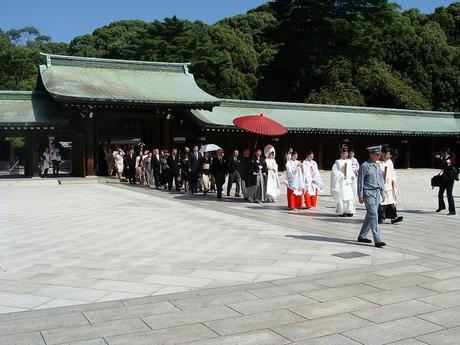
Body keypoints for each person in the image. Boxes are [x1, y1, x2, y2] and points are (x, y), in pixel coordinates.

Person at [358, 145, 386, 247]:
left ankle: (362, 236)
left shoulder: (378, 166)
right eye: (377, 154)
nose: (379, 156)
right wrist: (360, 195)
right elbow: (360, 181)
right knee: (374, 214)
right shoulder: (365, 166)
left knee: (370, 215)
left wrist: (383, 192)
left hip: (377, 193)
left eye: (379, 154)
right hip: (368, 192)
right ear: (371, 154)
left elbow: (380, 180)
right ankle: (378, 239)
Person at [378, 145, 403, 224]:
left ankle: (393, 217)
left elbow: (393, 173)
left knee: (390, 201)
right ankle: (380, 217)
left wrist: (393, 180)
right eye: (387, 154)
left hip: (388, 184)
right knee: (381, 201)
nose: (388, 156)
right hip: (381, 185)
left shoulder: (389, 162)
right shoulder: (378, 162)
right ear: (382, 154)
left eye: (389, 154)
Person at [330, 145, 356, 217]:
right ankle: (342, 211)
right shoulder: (337, 162)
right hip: (342, 183)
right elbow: (335, 173)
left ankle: (350, 210)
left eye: (347, 153)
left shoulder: (349, 161)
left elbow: (351, 171)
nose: (346, 154)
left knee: (350, 197)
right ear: (341, 154)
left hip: (348, 182)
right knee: (343, 197)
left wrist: (352, 176)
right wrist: (341, 175)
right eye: (344, 153)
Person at [435, 148, 457, 215]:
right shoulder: (444, 158)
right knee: (440, 193)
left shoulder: (451, 158)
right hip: (444, 178)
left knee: (449, 194)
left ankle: (452, 211)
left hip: (450, 178)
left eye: (443, 153)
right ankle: (441, 206)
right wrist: (439, 159)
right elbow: (442, 165)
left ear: (446, 153)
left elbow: (446, 164)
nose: (442, 154)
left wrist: (440, 159)